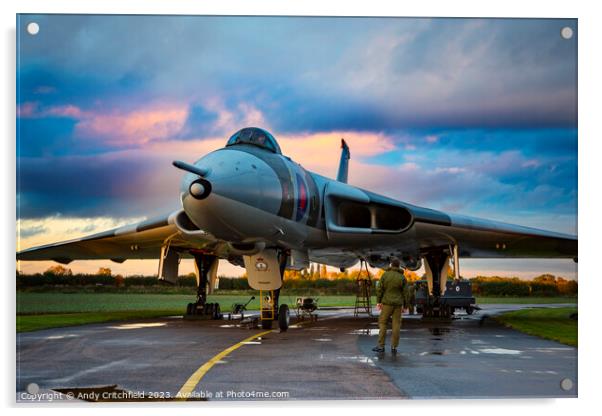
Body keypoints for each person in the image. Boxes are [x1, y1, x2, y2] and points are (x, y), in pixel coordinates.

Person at [373, 259, 407, 354]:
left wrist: (379, 302)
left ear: (391, 265)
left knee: (383, 323)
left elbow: (379, 289)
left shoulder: (385, 275)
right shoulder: (402, 277)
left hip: (387, 304)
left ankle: (381, 346)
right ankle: (394, 347)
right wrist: (406, 305)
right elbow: (406, 293)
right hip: (398, 305)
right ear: (399, 266)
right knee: (396, 325)